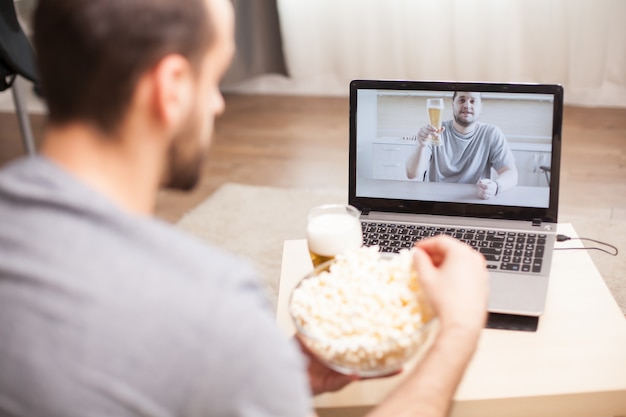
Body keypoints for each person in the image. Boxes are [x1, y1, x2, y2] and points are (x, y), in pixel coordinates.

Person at [0, 0, 489, 416]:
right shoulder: (216, 310)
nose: (217, 105)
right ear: (170, 87)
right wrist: (461, 329)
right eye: (213, 78)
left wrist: (267, 377)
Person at [405, 92, 518, 200]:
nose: (467, 105)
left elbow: (510, 173)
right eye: (461, 100)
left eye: (473, 101)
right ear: (452, 104)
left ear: (480, 107)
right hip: (434, 203)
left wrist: (496, 186)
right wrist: (421, 145)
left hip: (471, 203)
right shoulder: (435, 130)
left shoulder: (491, 133)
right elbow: (411, 174)